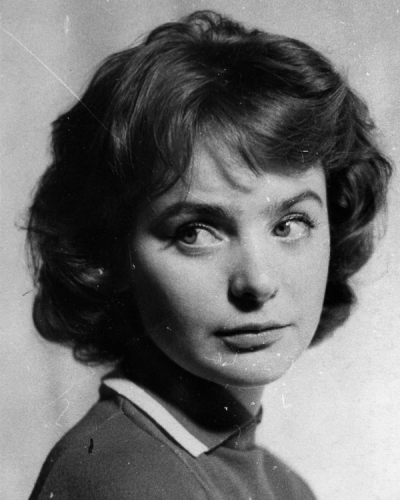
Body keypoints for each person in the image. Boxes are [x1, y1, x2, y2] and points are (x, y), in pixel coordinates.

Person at [27, 10, 392, 500]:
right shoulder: (126, 479)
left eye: (289, 225)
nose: (257, 281)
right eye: (196, 232)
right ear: (108, 255)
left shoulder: (281, 484)